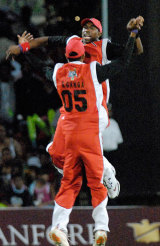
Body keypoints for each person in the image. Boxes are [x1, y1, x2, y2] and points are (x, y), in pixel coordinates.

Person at [6, 16, 144, 199]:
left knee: (83, 148)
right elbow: (46, 40)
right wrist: (25, 46)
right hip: (72, 110)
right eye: (84, 27)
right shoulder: (72, 43)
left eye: (91, 28)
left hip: (95, 107)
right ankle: (83, 170)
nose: (86, 30)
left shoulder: (102, 48)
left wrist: (134, 33)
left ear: (99, 33)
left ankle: (107, 172)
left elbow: (134, 51)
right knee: (55, 152)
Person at [46, 30, 136, 245]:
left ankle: (59, 226)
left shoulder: (60, 70)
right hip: (89, 125)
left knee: (68, 182)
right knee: (94, 183)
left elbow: (40, 63)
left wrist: (24, 49)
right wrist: (132, 35)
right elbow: (124, 62)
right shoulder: (92, 70)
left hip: (74, 125)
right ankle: (101, 228)